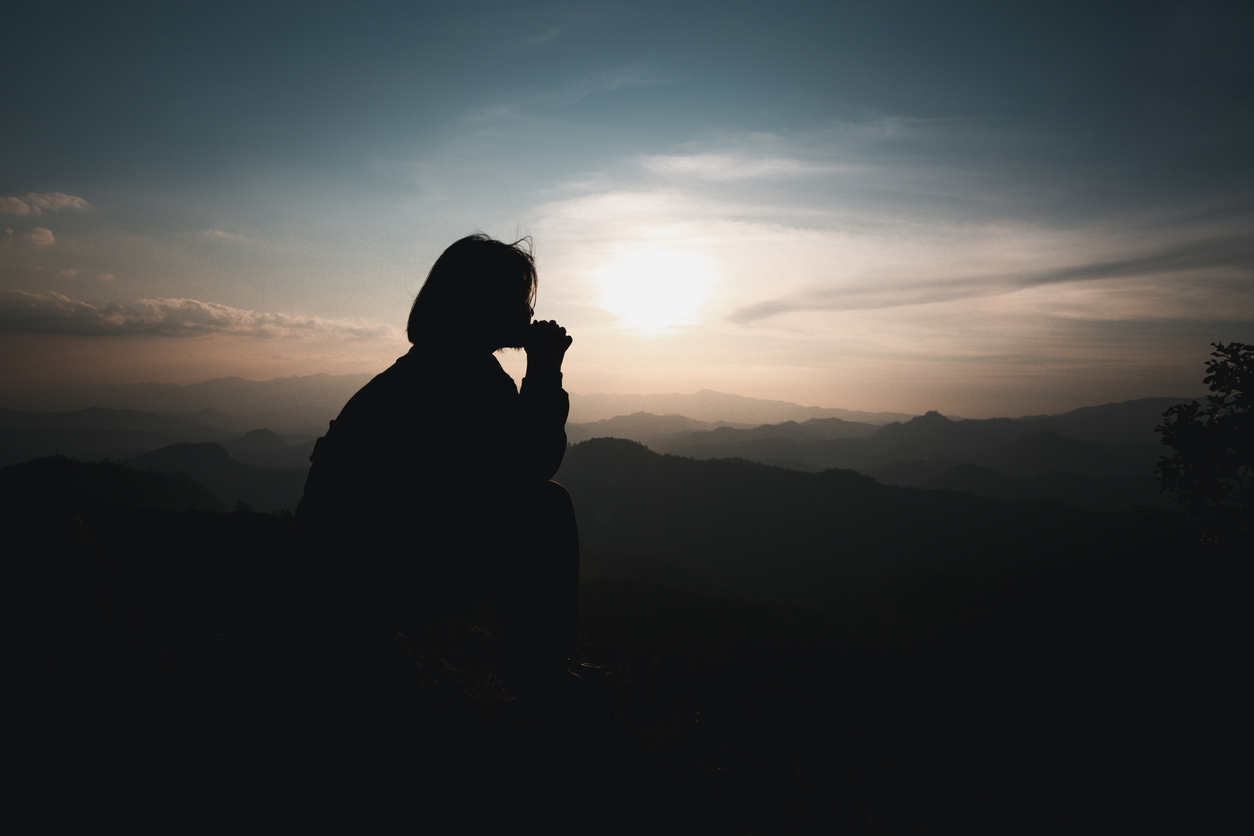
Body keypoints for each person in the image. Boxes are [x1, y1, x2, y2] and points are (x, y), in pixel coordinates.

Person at [295, 234, 578, 684]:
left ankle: (541, 666)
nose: (528, 312)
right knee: (547, 508)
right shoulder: (460, 376)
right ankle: (544, 675)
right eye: (518, 297)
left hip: (340, 568)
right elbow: (534, 463)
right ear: (480, 301)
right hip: (366, 578)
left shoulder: (436, 365)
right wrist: (544, 369)